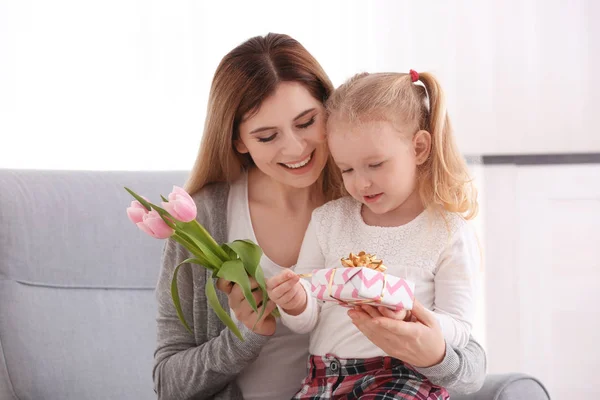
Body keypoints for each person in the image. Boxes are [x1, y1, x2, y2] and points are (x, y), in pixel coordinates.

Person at [152, 33, 486, 400]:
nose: (295, 148)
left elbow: (470, 367)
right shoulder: (206, 220)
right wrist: (245, 335)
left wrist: (428, 352)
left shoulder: (373, 200)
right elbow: (169, 384)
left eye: (307, 122)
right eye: (266, 136)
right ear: (238, 141)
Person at [266, 70, 480, 399]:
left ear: (419, 148)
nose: (361, 183)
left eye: (376, 164)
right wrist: (295, 304)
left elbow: (460, 329)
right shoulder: (328, 221)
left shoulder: (447, 232)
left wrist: (414, 321)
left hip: (402, 376)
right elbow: (309, 314)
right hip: (323, 379)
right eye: (347, 169)